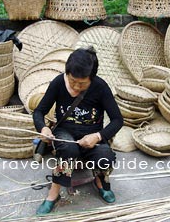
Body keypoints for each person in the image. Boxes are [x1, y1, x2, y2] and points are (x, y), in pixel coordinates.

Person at [33, 46, 123, 215]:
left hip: (91, 136)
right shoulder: (59, 83)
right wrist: (43, 128)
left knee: (106, 156)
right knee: (68, 149)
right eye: (72, 80)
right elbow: (38, 111)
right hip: (64, 134)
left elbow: (118, 120)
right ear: (66, 73)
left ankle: (100, 180)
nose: (75, 86)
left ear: (92, 78)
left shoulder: (101, 87)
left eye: (82, 84)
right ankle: (54, 194)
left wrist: (98, 136)